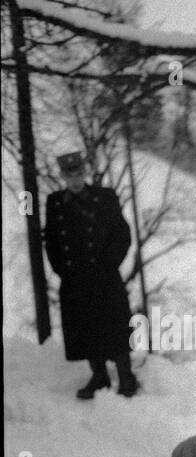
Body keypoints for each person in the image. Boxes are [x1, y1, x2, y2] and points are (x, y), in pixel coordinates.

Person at [43, 150, 139, 399]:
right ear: (63, 177)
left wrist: (108, 264)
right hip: (75, 278)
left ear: (84, 173)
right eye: (69, 175)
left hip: (104, 276)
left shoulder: (104, 197)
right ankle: (99, 376)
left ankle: (126, 376)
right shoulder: (55, 203)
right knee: (85, 328)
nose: (74, 180)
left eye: (78, 174)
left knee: (115, 325)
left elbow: (122, 233)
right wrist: (63, 270)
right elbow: (51, 241)